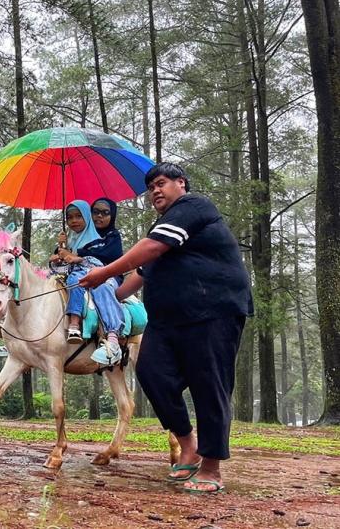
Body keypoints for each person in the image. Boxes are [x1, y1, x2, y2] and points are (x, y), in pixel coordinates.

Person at [80, 162, 252, 494]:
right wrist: (104, 293)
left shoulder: (194, 208)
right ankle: (188, 444)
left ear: (181, 184)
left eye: (161, 184)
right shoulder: (166, 226)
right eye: (150, 188)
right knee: (151, 373)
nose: (155, 191)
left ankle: (212, 466)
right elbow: (140, 274)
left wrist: (102, 272)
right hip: (168, 319)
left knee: (210, 384)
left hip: (212, 311)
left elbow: (152, 248)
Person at [49, 200, 125, 364]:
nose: (99, 216)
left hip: (106, 274)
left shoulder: (110, 237)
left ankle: (111, 336)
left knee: (101, 288)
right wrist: (61, 248)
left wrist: (76, 255)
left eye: (105, 212)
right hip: (74, 274)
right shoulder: (71, 238)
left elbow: (104, 256)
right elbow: (61, 257)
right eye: (95, 212)